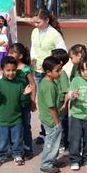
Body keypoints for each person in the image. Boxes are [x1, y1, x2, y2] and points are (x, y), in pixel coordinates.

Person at [30, 9, 67, 144]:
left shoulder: (55, 34)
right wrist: (32, 58)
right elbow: (33, 47)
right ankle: (44, 131)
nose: (36, 25)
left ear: (46, 20)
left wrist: (55, 68)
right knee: (43, 103)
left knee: (54, 102)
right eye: (34, 22)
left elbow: (63, 54)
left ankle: (59, 134)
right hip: (38, 71)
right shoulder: (34, 32)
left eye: (38, 22)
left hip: (51, 73)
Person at [0, 56, 32, 167]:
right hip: (2, 120)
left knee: (17, 139)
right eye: (8, 70)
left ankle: (17, 154)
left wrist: (25, 94)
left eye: (13, 70)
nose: (11, 73)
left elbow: (23, 102)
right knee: (2, 140)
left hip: (16, 118)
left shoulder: (19, 84)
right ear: (2, 70)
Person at [9, 43, 36, 159]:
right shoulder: (10, 68)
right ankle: (14, 148)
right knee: (13, 126)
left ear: (20, 56)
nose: (9, 54)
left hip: (24, 103)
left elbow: (33, 85)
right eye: (9, 52)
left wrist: (32, 101)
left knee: (25, 126)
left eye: (12, 52)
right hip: (13, 104)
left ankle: (28, 149)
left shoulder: (25, 69)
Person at [37, 56, 63, 173]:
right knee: (51, 141)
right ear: (48, 72)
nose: (60, 73)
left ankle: (52, 160)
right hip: (51, 119)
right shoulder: (48, 86)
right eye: (57, 71)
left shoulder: (48, 82)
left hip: (48, 118)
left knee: (54, 140)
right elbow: (51, 106)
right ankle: (46, 163)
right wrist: (57, 122)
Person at [51, 48, 70, 154]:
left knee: (62, 124)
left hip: (61, 104)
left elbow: (66, 91)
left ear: (61, 63)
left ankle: (63, 144)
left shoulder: (62, 74)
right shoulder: (53, 74)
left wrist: (66, 105)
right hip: (55, 103)